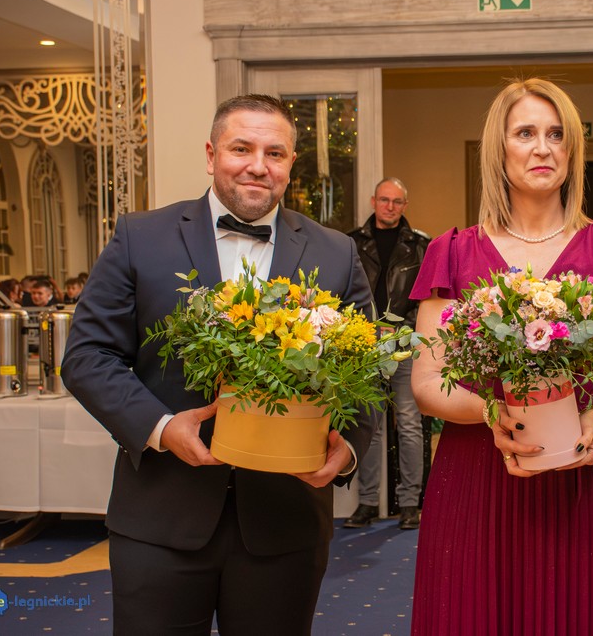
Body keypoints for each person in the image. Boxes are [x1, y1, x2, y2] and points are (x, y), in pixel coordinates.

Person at [61, 94, 377, 636]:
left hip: (286, 522)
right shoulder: (141, 236)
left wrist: (345, 449)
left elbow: (368, 370)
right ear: (211, 155)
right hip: (161, 516)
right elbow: (88, 355)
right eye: (241, 148)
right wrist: (162, 427)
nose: (258, 165)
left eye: (274, 153)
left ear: (291, 163)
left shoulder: (336, 252)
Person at [409, 78, 593, 635]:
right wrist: (493, 414)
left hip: (583, 473)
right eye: (525, 133)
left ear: (572, 151)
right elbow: (427, 382)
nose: (543, 147)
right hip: (477, 474)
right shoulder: (451, 252)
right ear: (498, 149)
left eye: (556, 134)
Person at [344, 177, 430, 530]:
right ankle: (367, 503)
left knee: (409, 424)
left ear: (404, 205)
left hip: (404, 345)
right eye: (384, 200)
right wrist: (366, 328)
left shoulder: (421, 246)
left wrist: (401, 328)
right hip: (364, 345)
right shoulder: (352, 243)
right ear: (373, 201)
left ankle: (409, 504)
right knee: (371, 426)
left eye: (396, 201)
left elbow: (427, 299)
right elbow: (345, 293)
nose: (390, 207)